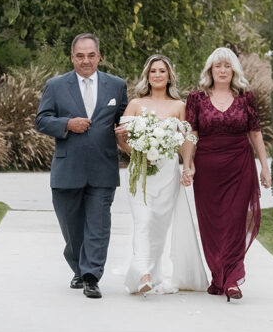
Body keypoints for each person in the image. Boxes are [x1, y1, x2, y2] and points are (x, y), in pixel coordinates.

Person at [36, 33, 127, 299]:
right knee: (72, 227)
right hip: (68, 169)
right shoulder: (55, 85)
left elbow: (124, 119)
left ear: (99, 56)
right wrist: (66, 124)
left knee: (98, 226)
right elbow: (42, 120)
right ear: (72, 57)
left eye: (91, 55)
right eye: (80, 55)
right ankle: (78, 265)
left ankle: (91, 276)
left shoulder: (117, 85)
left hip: (103, 168)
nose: (86, 61)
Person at [115, 54, 207, 294]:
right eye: (153, 71)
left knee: (158, 225)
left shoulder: (178, 106)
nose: (157, 75)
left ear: (169, 77)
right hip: (140, 171)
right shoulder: (135, 104)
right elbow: (122, 140)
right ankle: (142, 272)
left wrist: (188, 165)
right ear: (147, 75)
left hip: (167, 172)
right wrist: (136, 151)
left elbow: (186, 139)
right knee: (143, 220)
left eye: (162, 71)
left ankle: (152, 272)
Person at [186, 47, 271, 301]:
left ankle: (232, 278)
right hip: (207, 170)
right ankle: (218, 275)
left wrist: (264, 166)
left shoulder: (246, 98)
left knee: (235, 221)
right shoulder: (196, 98)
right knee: (212, 225)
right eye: (217, 66)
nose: (222, 71)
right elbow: (191, 133)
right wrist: (187, 164)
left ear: (234, 69)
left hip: (239, 166)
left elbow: (255, 133)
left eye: (227, 66)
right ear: (210, 70)